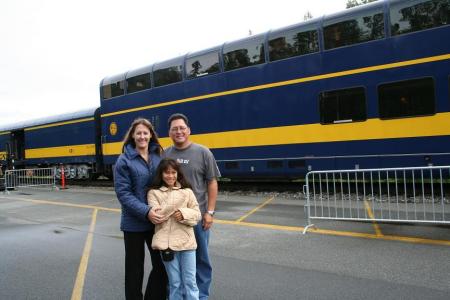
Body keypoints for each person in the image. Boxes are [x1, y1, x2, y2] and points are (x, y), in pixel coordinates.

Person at [164, 113, 221, 300]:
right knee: (173, 261)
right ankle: (178, 296)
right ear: (169, 133)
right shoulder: (165, 154)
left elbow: (212, 182)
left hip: (198, 218)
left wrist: (210, 213)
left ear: (189, 130)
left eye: (182, 128)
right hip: (172, 219)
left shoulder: (203, 152)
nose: (179, 131)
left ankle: (201, 296)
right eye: (175, 129)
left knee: (201, 260)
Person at [114, 118, 168, 300]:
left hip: (156, 222)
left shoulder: (157, 156)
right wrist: (146, 211)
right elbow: (124, 194)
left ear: (151, 135)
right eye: (139, 133)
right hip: (133, 224)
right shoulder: (124, 160)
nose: (142, 136)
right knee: (134, 271)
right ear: (133, 136)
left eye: (146, 133)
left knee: (162, 265)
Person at [148, 158, 201, 300]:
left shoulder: (188, 192)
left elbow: (197, 214)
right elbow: (158, 215)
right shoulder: (153, 193)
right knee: (175, 283)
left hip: (187, 243)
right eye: (166, 173)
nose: (170, 176)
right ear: (161, 174)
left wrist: (184, 213)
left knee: (190, 282)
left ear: (178, 174)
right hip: (167, 245)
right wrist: (179, 203)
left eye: (173, 172)